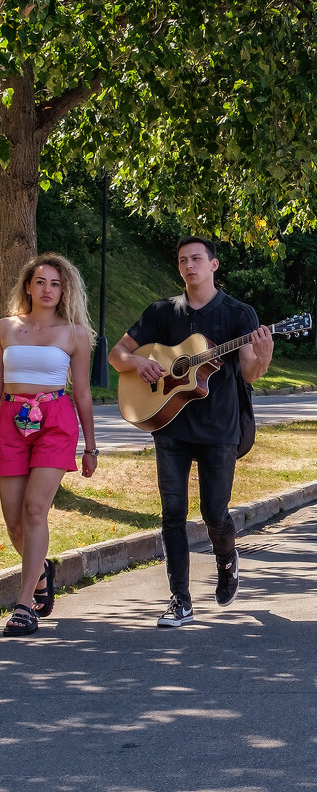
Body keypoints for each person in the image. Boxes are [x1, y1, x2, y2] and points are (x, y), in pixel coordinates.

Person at [109, 236, 274, 627]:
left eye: (196, 258)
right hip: (170, 424)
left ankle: (226, 560)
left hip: (220, 426)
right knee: (173, 514)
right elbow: (117, 354)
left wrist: (263, 355)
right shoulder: (162, 312)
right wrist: (136, 363)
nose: (189, 265)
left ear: (213, 265)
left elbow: (250, 372)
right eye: (183, 260)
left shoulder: (239, 314)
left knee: (215, 512)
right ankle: (180, 601)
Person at [0, 253, 98, 637]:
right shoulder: (6, 327)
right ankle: (41, 570)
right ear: (28, 285)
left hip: (55, 421)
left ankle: (24, 604)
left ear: (64, 291)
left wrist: (90, 446)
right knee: (13, 521)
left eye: (55, 284)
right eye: (40, 282)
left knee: (35, 508)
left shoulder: (75, 334)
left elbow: (83, 393)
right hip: (10, 422)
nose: (47, 290)